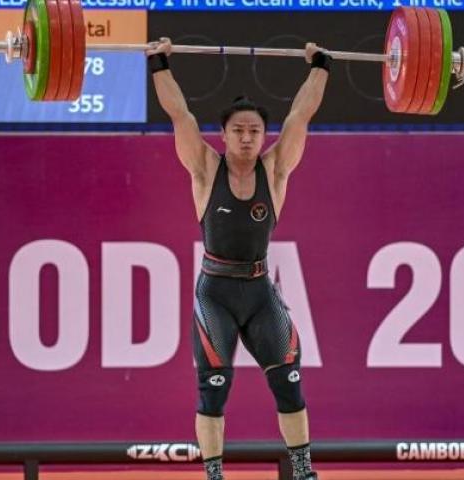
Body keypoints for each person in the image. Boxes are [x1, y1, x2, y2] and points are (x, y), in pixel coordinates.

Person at [145, 37, 330, 480]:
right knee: (213, 389)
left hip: (261, 292)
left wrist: (321, 66)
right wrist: (159, 62)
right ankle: (214, 474)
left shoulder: (275, 168)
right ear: (224, 135)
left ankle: (303, 469)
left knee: (288, 381)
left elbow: (301, 115)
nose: (247, 138)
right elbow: (180, 114)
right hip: (217, 294)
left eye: (254, 131)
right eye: (238, 131)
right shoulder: (206, 168)